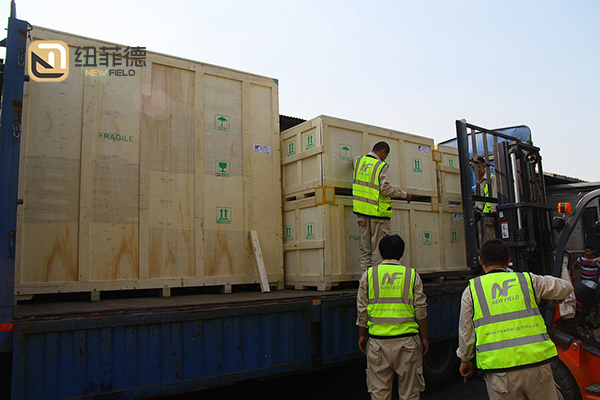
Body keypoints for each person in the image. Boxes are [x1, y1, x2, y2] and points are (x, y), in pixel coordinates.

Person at [457, 239, 573, 400]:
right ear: (508, 261)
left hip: (500, 372)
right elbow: (566, 287)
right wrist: (556, 298)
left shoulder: (472, 290)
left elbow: (466, 331)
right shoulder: (527, 280)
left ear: (481, 260)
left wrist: (465, 359)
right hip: (536, 366)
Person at [356, 234, 428, 400]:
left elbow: (362, 310)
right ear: (402, 253)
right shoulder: (411, 275)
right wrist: (424, 338)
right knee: (410, 395)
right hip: (407, 343)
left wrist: (362, 335)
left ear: (380, 252)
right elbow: (421, 311)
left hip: (378, 344)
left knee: (380, 395)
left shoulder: (369, 275)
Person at [353, 142, 412, 273]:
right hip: (377, 214)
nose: (385, 158)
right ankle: (376, 280)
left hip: (361, 212)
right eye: (386, 155)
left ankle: (365, 280)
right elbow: (386, 190)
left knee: (365, 250)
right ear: (383, 151)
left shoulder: (358, 161)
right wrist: (404, 195)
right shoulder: (381, 165)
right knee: (378, 250)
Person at [471, 156, 497, 244]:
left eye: (478, 167)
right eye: (473, 168)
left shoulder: (491, 179)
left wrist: (493, 213)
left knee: (490, 241)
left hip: (489, 217)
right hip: (479, 217)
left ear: (484, 166)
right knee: (481, 242)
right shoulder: (477, 183)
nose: (475, 170)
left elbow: (495, 197)